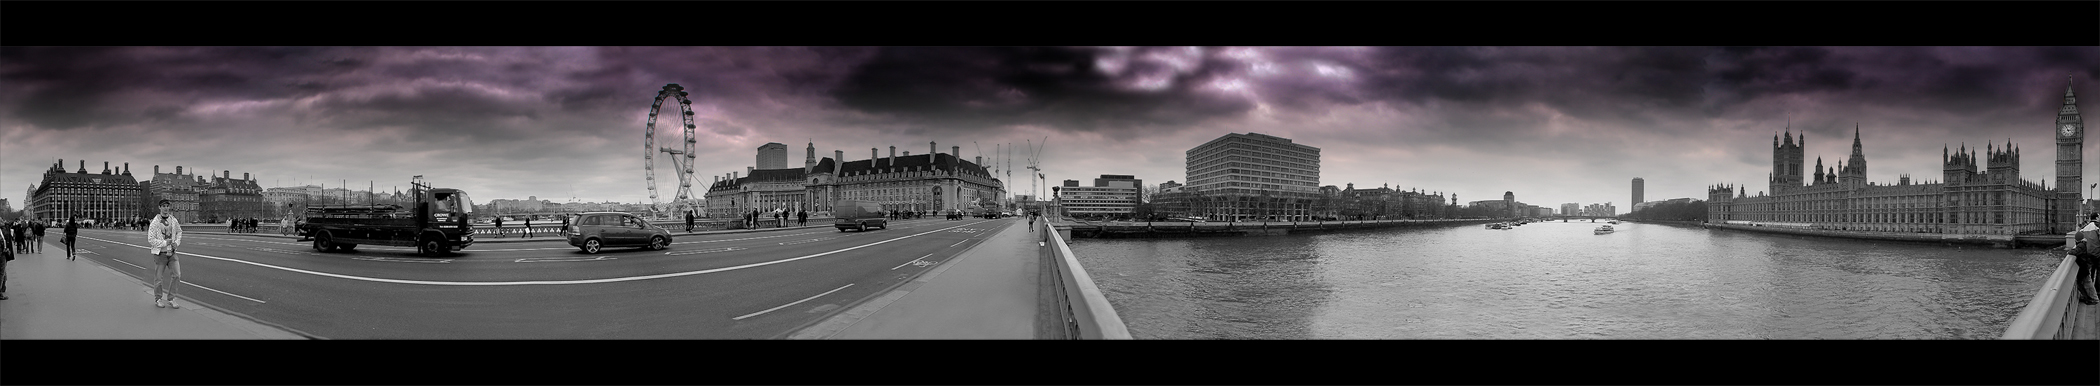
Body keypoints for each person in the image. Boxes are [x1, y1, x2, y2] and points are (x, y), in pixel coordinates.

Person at [146, 200, 184, 309]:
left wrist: (176, 243)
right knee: (159, 278)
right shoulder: (155, 222)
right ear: (159, 207)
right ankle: (158, 298)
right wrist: (164, 243)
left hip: (171, 253)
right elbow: (150, 239)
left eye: (167, 206)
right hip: (160, 254)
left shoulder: (173, 220)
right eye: (163, 206)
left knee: (177, 275)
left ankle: (171, 298)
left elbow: (179, 232)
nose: (166, 208)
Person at [2076, 215, 2100, 305]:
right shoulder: (2098, 227)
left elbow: (2078, 240)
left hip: (2087, 254)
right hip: (2097, 254)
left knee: (2089, 274)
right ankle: (2097, 292)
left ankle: (2090, 293)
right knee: (2098, 273)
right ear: (2097, 217)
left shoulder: (2083, 228)